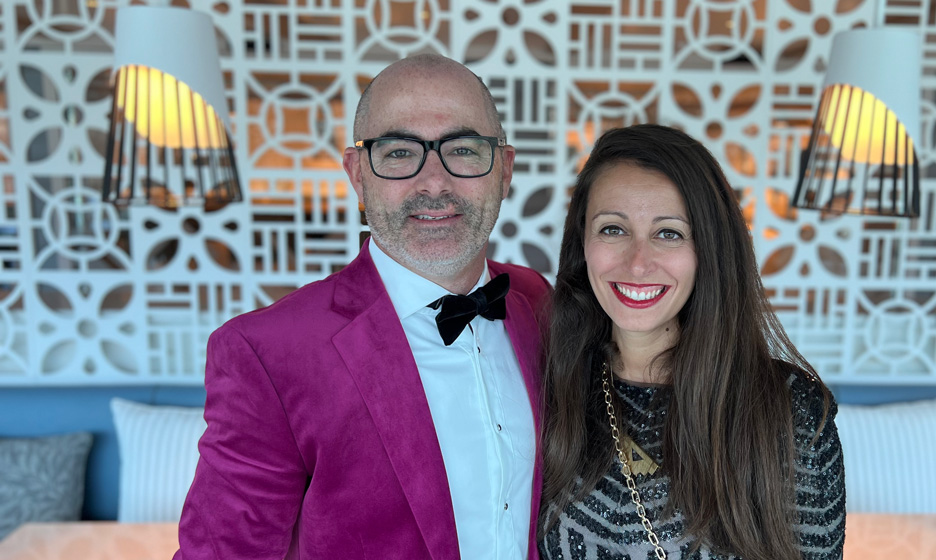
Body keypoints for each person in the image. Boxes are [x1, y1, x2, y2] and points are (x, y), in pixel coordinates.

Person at [174, 54, 550, 559]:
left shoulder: (537, 302)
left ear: (504, 170)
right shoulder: (268, 354)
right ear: (357, 174)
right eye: (398, 153)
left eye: (463, 149)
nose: (434, 183)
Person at [538, 124, 845, 560]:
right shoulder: (548, 388)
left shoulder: (790, 410)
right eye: (612, 229)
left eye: (669, 233)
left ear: (709, 251)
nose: (638, 263)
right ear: (582, 242)